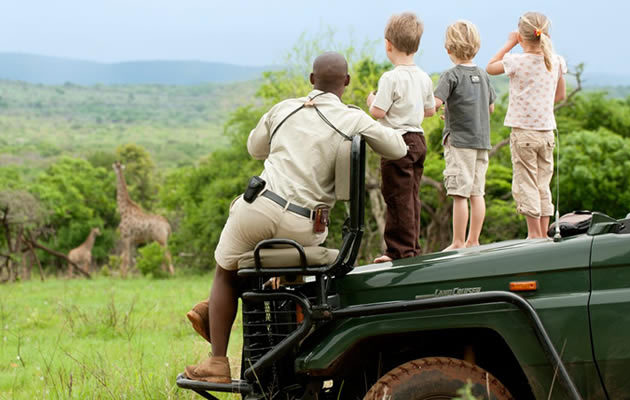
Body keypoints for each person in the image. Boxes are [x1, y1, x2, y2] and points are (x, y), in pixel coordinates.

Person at [184, 52, 408, 383]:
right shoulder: (351, 118)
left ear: (311, 80)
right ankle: (222, 311)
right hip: (307, 226)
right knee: (253, 262)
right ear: (345, 83)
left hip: (259, 207)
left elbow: (254, 148)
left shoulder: (285, 109)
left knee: (225, 270)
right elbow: (398, 149)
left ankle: (218, 360)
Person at [486, 12, 567, 239]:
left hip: (523, 132)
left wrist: (509, 43)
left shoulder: (516, 60)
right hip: (547, 132)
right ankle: (543, 233)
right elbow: (560, 95)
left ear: (522, 37)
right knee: (543, 183)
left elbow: (490, 67)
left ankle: (533, 235)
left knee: (526, 182)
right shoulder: (557, 61)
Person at [366, 12, 436, 263]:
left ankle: (399, 251)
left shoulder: (391, 77)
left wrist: (371, 99)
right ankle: (412, 247)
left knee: (397, 198)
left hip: (397, 142)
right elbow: (430, 110)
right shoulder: (423, 76)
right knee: (411, 196)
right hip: (418, 140)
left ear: (388, 44)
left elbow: (378, 112)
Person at [434, 20, 496, 250]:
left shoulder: (450, 75)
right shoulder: (483, 74)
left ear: (448, 49)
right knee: (476, 193)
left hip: (460, 143)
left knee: (459, 193)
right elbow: (490, 107)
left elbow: (436, 102)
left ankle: (458, 242)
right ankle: (474, 240)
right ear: (476, 47)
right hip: (482, 142)